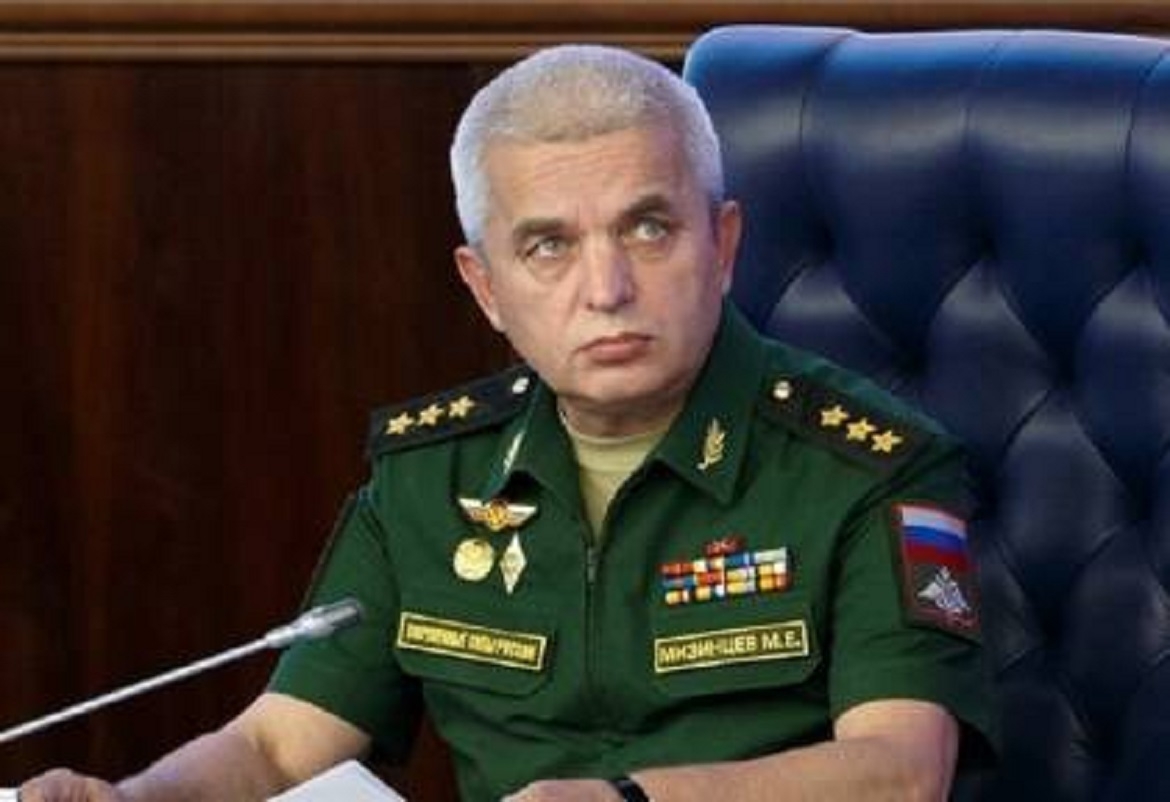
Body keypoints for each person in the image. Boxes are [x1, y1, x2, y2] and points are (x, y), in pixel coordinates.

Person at [22, 44, 993, 802]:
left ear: (723, 243)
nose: (606, 289)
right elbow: (279, 745)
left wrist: (627, 799)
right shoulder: (430, 476)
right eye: (548, 247)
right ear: (485, 287)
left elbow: (900, 771)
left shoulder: (869, 465)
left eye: (648, 228)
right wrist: (134, 795)